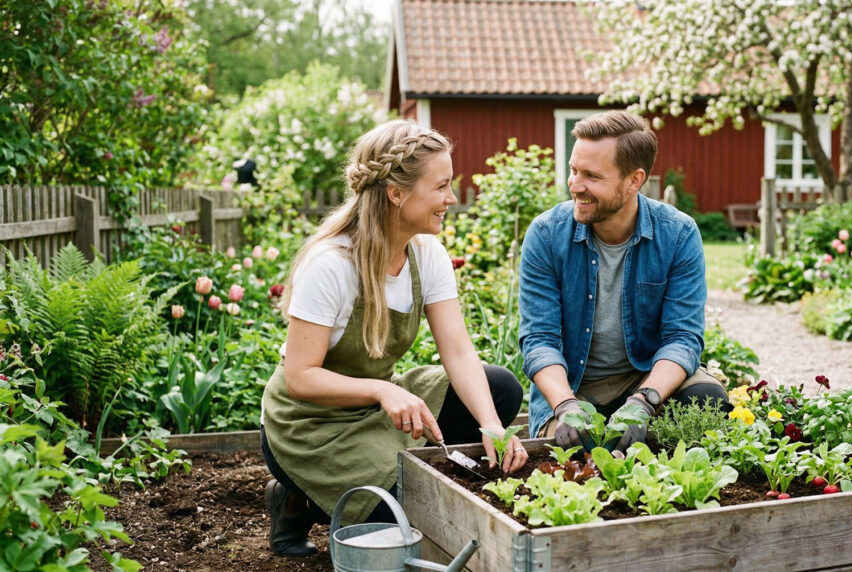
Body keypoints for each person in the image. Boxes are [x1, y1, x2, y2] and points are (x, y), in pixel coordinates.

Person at [261, 120, 528, 557]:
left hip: (371, 405)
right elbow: (300, 377)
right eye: (441, 186)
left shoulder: (427, 255)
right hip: (308, 425)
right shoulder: (331, 265)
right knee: (409, 522)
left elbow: (458, 352)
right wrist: (383, 389)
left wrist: (494, 428)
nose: (451, 199)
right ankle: (297, 498)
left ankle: (385, 480)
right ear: (396, 193)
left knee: (498, 388)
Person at [518, 110, 731, 453]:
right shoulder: (546, 235)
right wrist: (565, 406)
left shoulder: (677, 234)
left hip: (644, 378)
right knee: (573, 450)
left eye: (591, 176)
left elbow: (682, 337)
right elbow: (539, 339)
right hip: (574, 385)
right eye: (574, 171)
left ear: (634, 180)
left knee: (706, 400)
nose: (575, 185)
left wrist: (645, 401)